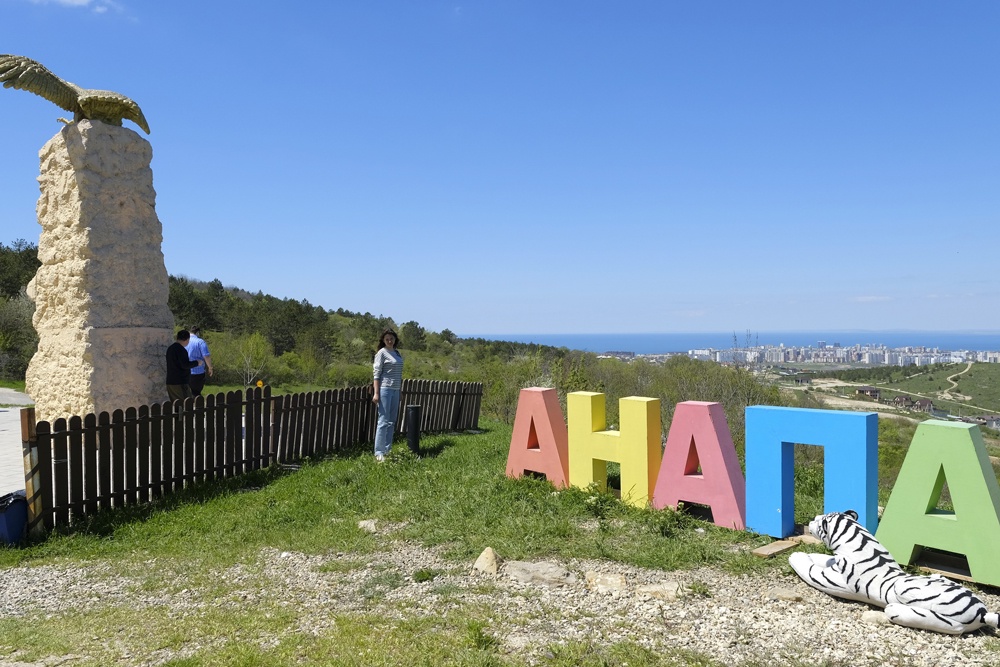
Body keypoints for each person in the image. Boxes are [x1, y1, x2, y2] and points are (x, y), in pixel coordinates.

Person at [371, 328, 403, 462]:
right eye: (387, 339)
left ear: (395, 339)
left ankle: (387, 450)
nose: (390, 341)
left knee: (391, 422)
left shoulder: (396, 353)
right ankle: (379, 452)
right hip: (385, 389)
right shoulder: (381, 353)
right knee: (383, 421)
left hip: (395, 390)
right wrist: (376, 393)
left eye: (392, 338)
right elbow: (376, 374)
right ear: (383, 340)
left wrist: (399, 390)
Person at [166, 329, 203, 402]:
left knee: (176, 404)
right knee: (187, 403)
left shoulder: (170, 348)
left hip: (170, 381)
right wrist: (197, 362)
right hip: (180, 382)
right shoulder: (181, 350)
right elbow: (185, 365)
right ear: (187, 339)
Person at [186, 326, 214, 396]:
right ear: (198, 332)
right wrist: (210, 367)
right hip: (197, 372)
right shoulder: (200, 342)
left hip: (184, 371)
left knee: (186, 394)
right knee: (196, 393)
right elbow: (206, 356)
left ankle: (187, 406)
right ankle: (197, 406)